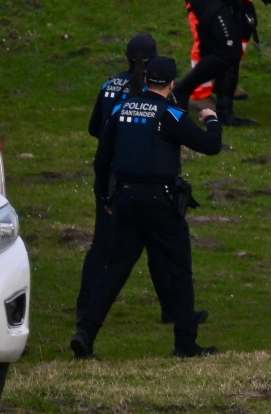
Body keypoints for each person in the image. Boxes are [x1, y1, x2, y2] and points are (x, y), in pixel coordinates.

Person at [72, 57, 222, 359]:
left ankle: (85, 333)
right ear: (171, 84)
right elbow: (210, 146)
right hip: (161, 203)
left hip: (125, 200)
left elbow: (102, 161)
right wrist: (212, 120)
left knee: (114, 270)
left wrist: (106, 197)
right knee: (179, 270)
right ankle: (185, 343)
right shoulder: (171, 115)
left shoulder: (119, 110)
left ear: (145, 80)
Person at [80, 34, 196, 328]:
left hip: (110, 176)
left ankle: (85, 310)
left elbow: (96, 128)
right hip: (143, 180)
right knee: (158, 250)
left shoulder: (109, 85)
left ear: (125, 58)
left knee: (103, 248)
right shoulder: (152, 94)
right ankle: (173, 312)